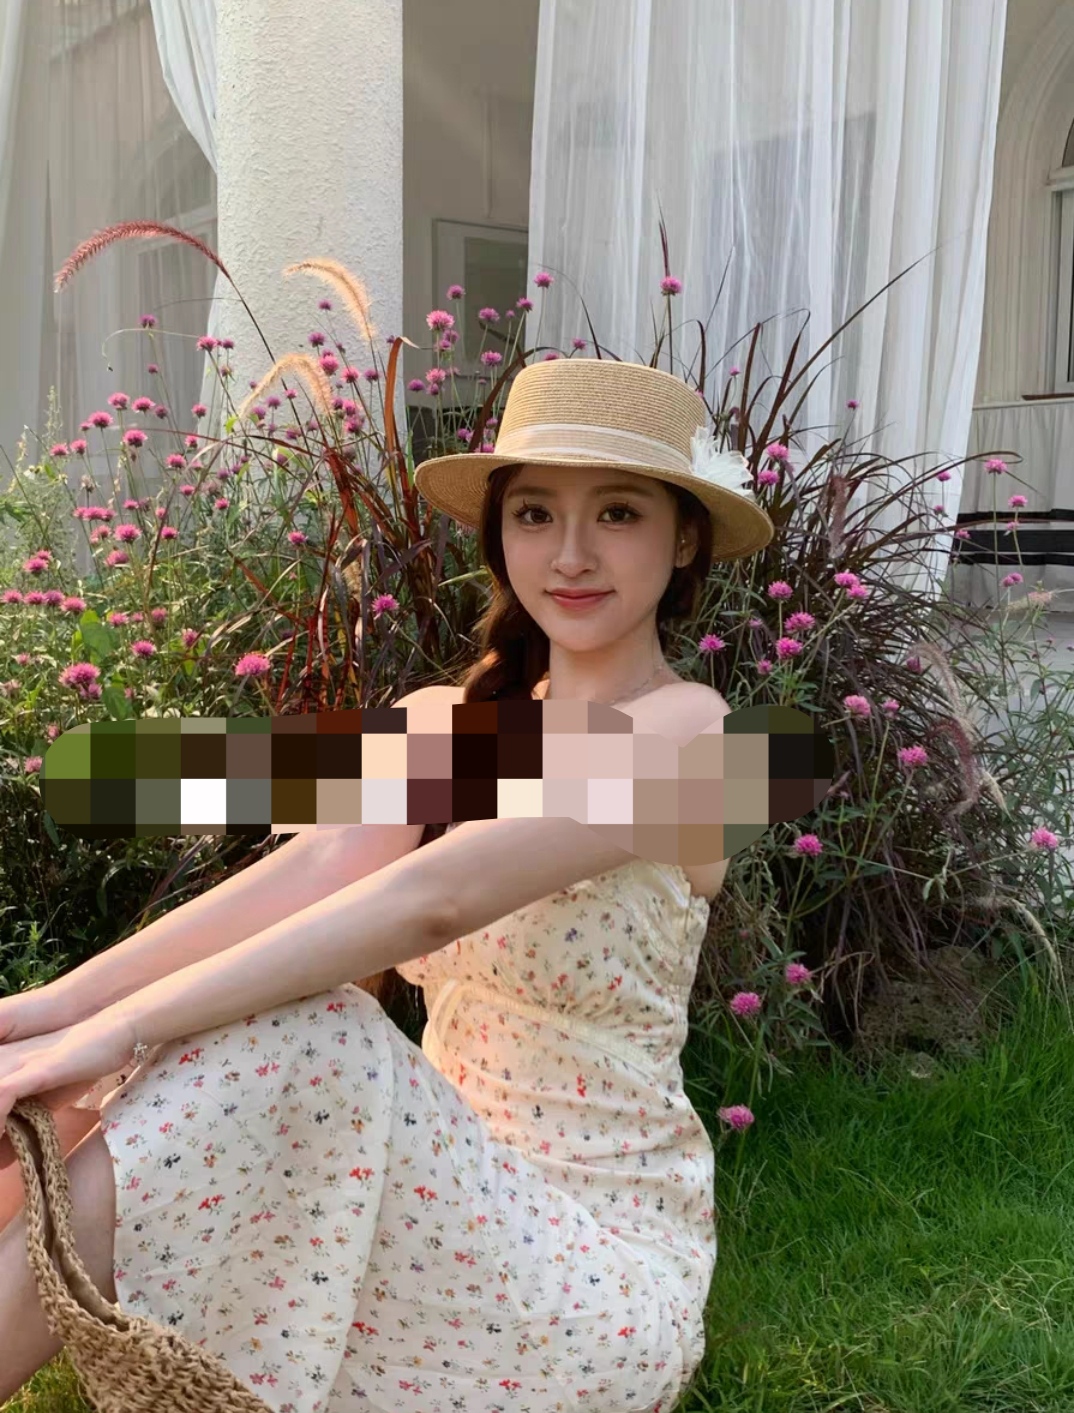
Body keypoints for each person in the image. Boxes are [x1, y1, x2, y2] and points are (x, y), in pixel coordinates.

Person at [0, 357, 773, 1412]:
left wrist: (116, 1032)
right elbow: (314, 873)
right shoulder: (441, 724)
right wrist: (50, 1013)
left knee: (311, 1031)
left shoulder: (699, 737)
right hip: (418, 1207)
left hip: (591, 1279)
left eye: (619, 513)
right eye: (535, 514)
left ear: (682, 540)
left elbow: (431, 899)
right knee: (118, 1054)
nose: (571, 554)